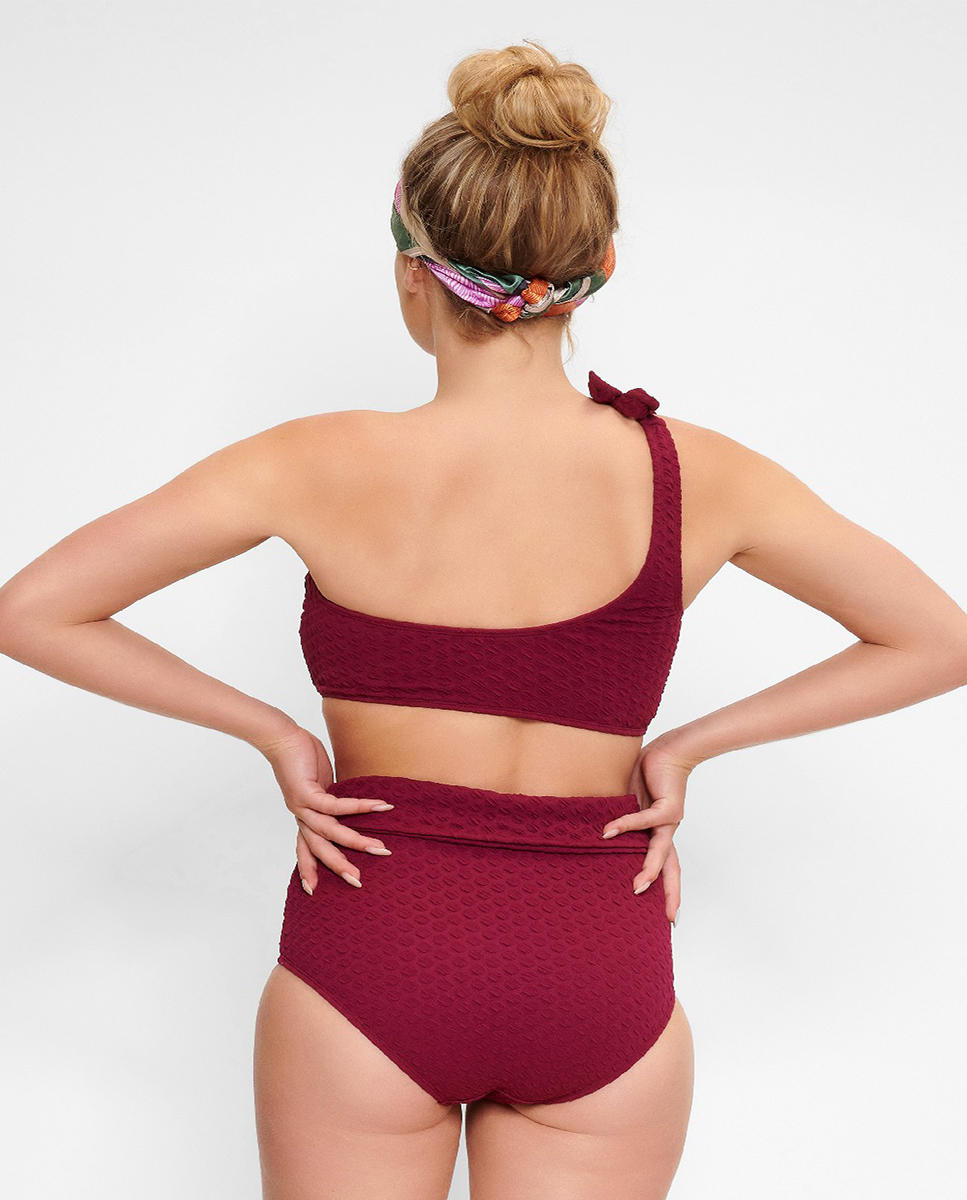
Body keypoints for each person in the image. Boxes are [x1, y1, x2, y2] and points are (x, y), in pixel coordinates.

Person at [2, 39, 966, 1200]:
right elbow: (938, 638)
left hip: (375, 947)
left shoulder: (310, 462)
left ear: (412, 273)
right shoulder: (701, 476)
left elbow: (34, 610)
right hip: (596, 961)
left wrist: (276, 734)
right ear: (601, 266)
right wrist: (684, 749)